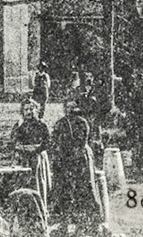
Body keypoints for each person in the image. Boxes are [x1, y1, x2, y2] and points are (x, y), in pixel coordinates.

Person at [48, 97, 100, 229]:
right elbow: (54, 141)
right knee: (64, 188)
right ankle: (65, 218)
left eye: (73, 107)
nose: (70, 110)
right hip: (65, 158)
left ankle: (88, 219)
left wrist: (73, 153)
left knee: (84, 187)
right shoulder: (60, 123)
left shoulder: (82, 122)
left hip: (80, 158)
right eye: (68, 107)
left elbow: (83, 141)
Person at [10, 97, 52, 204]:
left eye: (31, 109)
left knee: (37, 182)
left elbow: (48, 142)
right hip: (23, 158)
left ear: (36, 110)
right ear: (22, 112)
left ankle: (40, 205)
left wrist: (37, 148)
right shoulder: (19, 125)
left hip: (37, 158)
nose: (29, 112)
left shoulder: (41, 125)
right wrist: (21, 147)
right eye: (26, 109)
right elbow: (13, 142)